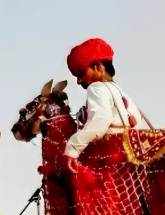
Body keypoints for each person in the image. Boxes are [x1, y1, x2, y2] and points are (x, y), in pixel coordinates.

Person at [64, 38, 149, 173]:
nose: (79, 81)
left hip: (117, 164)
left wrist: (73, 148)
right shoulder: (121, 92)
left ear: (97, 66)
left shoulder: (96, 88)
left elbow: (101, 120)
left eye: (81, 73)